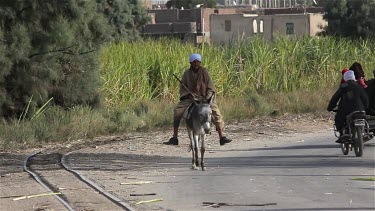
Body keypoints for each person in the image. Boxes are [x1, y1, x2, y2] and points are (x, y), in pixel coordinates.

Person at [163, 54, 232, 146]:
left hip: (205, 98)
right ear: (190, 63)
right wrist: (188, 96)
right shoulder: (186, 73)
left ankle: (221, 137)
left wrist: (207, 98)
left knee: (216, 113)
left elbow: (210, 87)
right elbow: (182, 88)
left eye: (197, 62)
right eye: (194, 62)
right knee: (177, 111)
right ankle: (175, 137)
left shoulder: (205, 72)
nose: (196, 63)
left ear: (200, 62)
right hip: (190, 99)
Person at [327, 70, 369, 143]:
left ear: (345, 78)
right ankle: (364, 133)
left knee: (338, 119)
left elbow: (335, 98)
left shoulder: (343, 87)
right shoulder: (358, 86)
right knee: (364, 120)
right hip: (360, 110)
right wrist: (365, 107)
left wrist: (330, 108)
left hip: (346, 111)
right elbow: (365, 99)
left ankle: (342, 133)